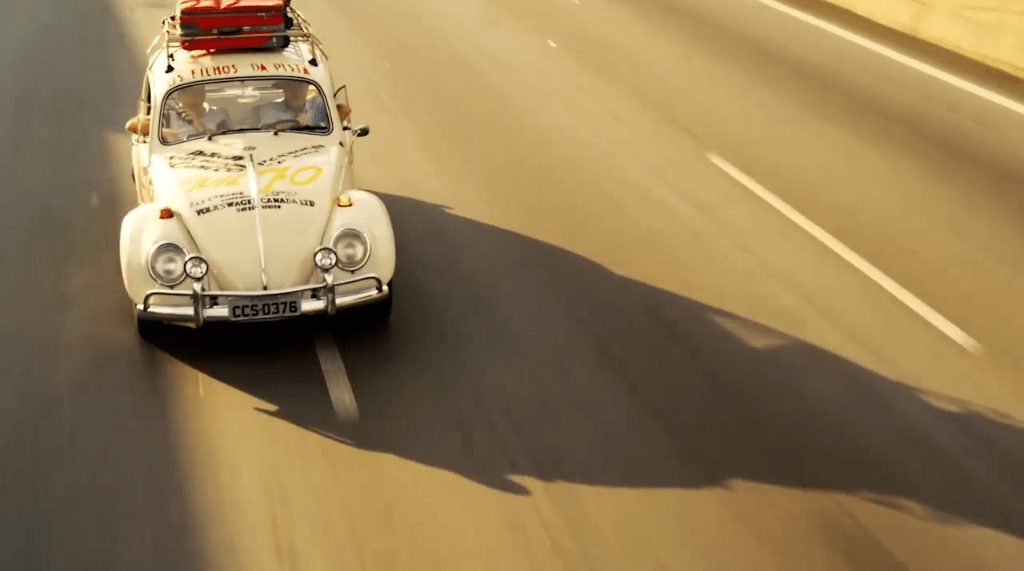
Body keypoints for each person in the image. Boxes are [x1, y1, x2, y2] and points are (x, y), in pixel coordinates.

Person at [124, 83, 232, 142]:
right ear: (179, 97)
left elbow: (229, 142)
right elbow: (131, 125)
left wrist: (200, 127)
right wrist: (165, 132)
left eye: (198, 91)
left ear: (203, 94)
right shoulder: (169, 117)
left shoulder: (218, 115)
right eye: (188, 91)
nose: (194, 95)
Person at [245, 79, 331, 129]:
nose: (296, 90)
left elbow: (341, 110)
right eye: (291, 86)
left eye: (300, 85)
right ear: (284, 89)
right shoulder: (268, 110)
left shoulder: (318, 107)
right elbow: (256, 133)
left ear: (307, 87)